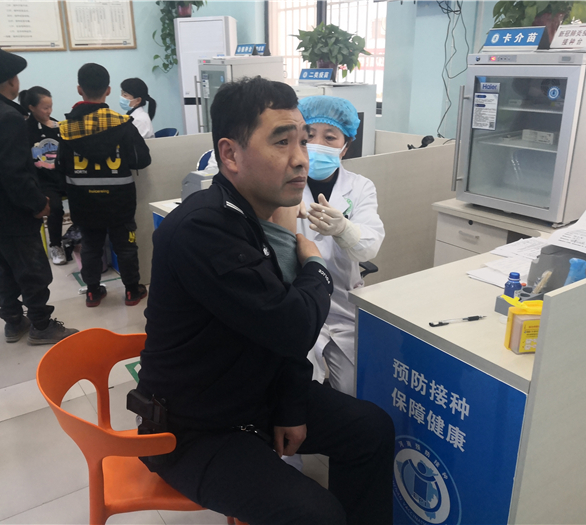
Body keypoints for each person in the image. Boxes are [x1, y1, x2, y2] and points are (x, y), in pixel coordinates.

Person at [136, 77, 394, 525]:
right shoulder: (203, 230)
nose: (302, 157)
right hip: (195, 427)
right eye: (282, 141)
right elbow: (294, 324)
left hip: (254, 393)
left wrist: (291, 407)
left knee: (371, 429)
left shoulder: (260, 220)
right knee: (316, 515)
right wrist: (314, 265)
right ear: (230, 154)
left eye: (303, 140)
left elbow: (284, 342)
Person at [0, 40, 78, 345]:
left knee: (7, 268)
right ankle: (41, 325)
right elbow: (14, 172)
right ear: (11, 81)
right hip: (11, 213)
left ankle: (13, 320)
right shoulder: (6, 117)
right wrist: (37, 204)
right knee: (33, 270)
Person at [297, 96, 385, 397]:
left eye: (330, 137)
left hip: (343, 304)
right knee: (300, 387)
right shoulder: (283, 183)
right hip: (298, 305)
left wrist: (344, 230)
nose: (317, 144)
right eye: (309, 136)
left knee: (353, 389)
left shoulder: (360, 187)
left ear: (345, 146)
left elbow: (370, 246)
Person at [57, 64, 152, 307]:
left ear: (79, 90)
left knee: (90, 247)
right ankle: (132, 290)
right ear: (108, 90)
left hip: (83, 201)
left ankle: (92, 292)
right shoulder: (122, 124)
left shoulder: (67, 129)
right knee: (126, 246)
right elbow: (142, 159)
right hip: (120, 199)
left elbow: (60, 167)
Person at [19, 86, 67, 265]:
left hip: (62, 176)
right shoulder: (25, 129)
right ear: (32, 108)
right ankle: (56, 245)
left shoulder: (57, 126)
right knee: (55, 207)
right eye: (45, 108)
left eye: (51, 107)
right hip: (43, 180)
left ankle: (79, 237)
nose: (49, 111)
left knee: (84, 197)